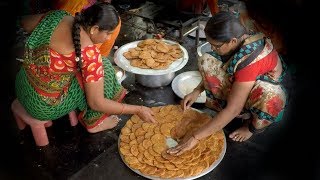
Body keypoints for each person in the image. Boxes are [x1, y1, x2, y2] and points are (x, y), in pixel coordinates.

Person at [13, 2, 156, 134]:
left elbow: (24, 23)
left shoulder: (57, 16)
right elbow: (96, 103)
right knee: (105, 71)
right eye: (108, 33)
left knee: (94, 69)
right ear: (94, 29)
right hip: (42, 107)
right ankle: (94, 123)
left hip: (22, 83)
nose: (108, 38)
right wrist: (138, 109)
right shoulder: (89, 54)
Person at [168, 11, 287, 155]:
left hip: (263, 83)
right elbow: (218, 61)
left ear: (233, 41)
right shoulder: (240, 34)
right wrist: (196, 91)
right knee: (208, 59)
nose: (213, 48)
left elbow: (234, 109)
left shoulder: (249, 62)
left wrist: (195, 137)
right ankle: (224, 110)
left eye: (216, 46)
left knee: (269, 95)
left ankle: (251, 126)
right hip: (245, 78)